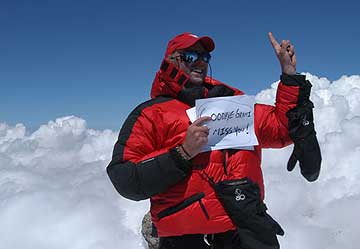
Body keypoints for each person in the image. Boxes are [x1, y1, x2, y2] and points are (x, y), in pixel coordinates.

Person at [107, 32, 319, 249]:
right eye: (190, 56)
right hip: (186, 237)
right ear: (171, 60)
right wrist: (182, 153)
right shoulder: (151, 114)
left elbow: (282, 130)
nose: (200, 62)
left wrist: (289, 75)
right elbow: (125, 179)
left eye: (205, 57)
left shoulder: (232, 106)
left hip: (245, 226)